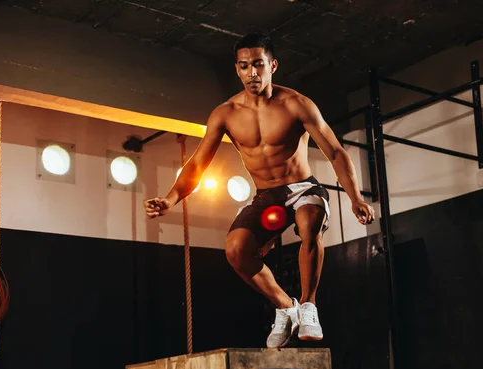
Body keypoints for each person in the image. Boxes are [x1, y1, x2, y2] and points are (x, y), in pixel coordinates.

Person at [144, 33, 374, 348]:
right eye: (244, 66)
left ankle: (308, 306)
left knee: (310, 225)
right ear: (236, 70)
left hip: (304, 188)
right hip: (268, 198)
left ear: (272, 66)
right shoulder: (225, 114)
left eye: (258, 65)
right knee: (236, 251)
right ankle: (286, 307)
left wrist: (356, 197)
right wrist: (171, 198)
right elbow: (198, 163)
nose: (251, 73)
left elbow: (335, 151)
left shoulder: (296, 104)